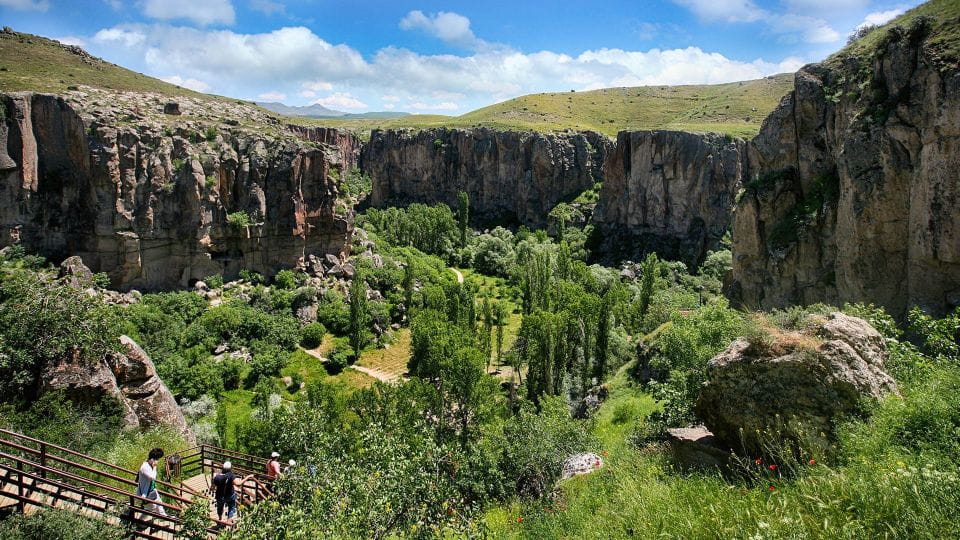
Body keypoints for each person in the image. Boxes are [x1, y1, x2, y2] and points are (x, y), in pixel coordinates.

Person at [137, 448, 166, 516]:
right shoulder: (145, 467)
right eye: (157, 459)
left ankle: (164, 517)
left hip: (152, 490)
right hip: (146, 493)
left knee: (159, 503)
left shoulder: (149, 465)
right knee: (152, 508)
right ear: (153, 459)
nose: (158, 461)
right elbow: (152, 477)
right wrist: (155, 467)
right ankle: (140, 523)